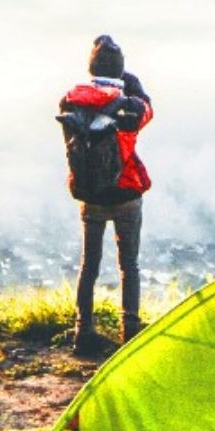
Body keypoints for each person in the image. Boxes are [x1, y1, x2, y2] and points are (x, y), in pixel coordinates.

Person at [58, 35, 154, 356]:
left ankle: (82, 331)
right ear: (120, 69)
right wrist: (133, 86)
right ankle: (130, 330)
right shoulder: (128, 104)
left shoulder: (70, 101)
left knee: (90, 265)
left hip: (90, 195)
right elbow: (146, 112)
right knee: (129, 265)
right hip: (126, 193)